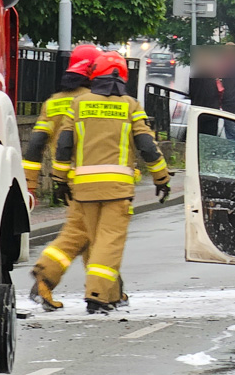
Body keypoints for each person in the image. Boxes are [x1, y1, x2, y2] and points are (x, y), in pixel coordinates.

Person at [31, 52, 172, 314]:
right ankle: (98, 295)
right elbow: (147, 146)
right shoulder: (130, 105)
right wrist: (161, 177)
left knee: (85, 237)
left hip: (82, 188)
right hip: (117, 189)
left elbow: (64, 145)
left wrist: (60, 179)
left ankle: (104, 290)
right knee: (109, 242)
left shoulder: (80, 103)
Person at [24, 44, 102, 312]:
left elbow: (35, 144)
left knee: (94, 235)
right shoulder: (95, 99)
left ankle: (106, 290)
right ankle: (44, 280)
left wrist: (30, 184)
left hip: (67, 181)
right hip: (94, 179)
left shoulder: (53, 102)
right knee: (80, 235)